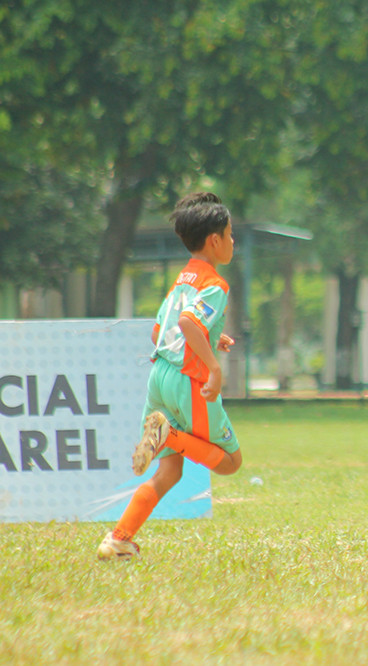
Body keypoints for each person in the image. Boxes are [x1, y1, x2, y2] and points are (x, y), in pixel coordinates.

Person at [97, 196, 242, 560]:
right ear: (214, 240)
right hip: (185, 379)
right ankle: (171, 434)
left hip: (159, 374)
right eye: (229, 234)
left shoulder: (182, 280)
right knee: (229, 462)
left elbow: (160, 331)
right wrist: (214, 365)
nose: (232, 241)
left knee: (170, 472)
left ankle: (118, 539)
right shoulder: (215, 285)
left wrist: (211, 337)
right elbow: (189, 323)